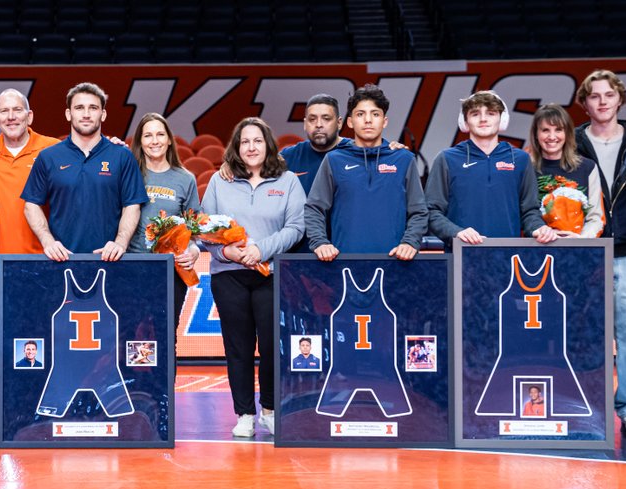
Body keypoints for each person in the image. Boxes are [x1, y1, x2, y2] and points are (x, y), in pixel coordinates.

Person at [200, 118, 305, 438]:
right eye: (245, 142)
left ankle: (270, 410)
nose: (251, 147)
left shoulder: (287, 181)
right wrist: (227, 253)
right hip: (228, 274)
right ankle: (244, 413)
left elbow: (295, 228)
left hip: (270, 274)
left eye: (257, 141)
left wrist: (260, 249)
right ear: (236, 147)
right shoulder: (220, 181)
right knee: (238, 347)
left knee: (272, 345)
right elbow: (205, 231)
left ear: (268, 145)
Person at [574, 70, 626, 434]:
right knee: (585, 334)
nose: (602, 101)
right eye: (594, 96)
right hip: (584, 253)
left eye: (609, 95)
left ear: (620, 99)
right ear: (585, 102)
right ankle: (588, 405)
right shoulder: (571, 141)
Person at [22, 82, 147, 262]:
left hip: (110, 260)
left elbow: (132, 205)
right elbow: (31, 205)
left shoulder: (122, 156)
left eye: (93, 108)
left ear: (103, 115)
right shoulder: (49, 157)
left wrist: (120, 243)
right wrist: (48, 241)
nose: (86, 114)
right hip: (61, 259)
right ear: (68, 114)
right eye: (79, 108)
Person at [304, 84, 428, 260]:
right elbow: (314, 208)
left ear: (384, 121)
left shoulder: (403, 159)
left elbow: (419, 211)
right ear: (350, 121)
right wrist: (320, 242)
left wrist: (410, 242)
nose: (368, 120)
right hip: (343, 264)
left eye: (375, 114)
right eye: (360, 114)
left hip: (395, 265)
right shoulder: (334, 160)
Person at [426, 90, 558, 246]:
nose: (483, 119)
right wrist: (456, 232)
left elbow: (529, 211)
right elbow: (431, 211)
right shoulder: (447, 159)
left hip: (507, 256)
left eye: (490, 113)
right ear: (465, 122)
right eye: (475, 114)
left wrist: (538, 228)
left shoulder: (520, 159)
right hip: (460, 255)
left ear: (502, 120)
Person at [0, 89, 59, 308]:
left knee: (44, 335)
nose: (11, 117)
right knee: (6, 336)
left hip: (46, 260)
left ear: (29, 116)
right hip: (0, 264)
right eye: (4, 111)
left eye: (17, 110)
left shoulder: (53, 149)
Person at [129, 112, 201, 330]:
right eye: (148, 135)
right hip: (133, 265)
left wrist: (194, 250)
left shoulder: (185, 179)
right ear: (140, 141)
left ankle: (165, 367)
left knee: (167, 333)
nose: (155, 141)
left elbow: (193, 228)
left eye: (160, 134)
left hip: (170, 268)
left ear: (169, 139)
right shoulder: (130, 173)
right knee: (129, 332)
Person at [526, 104, 604, 238]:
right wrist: (541, 231)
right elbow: (523, 213)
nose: (552, 136)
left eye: (558, 130)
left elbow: (596, 218)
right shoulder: (526, 169)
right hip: (536, 251)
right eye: (545, 130)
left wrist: (580, 240)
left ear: (567, 133)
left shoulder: (587, 167)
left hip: (578, 251)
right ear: (536, 134)